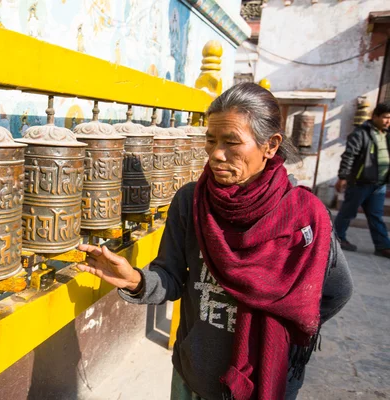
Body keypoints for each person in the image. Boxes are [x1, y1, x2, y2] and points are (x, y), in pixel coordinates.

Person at [77, 83, 353, 400]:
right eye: (211, 141)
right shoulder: (191, 202)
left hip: (267, 379)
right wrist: (135, 280)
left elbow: (337, 292)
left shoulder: (304, 216)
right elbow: (171, 278)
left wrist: (282, 331)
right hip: (194, 376)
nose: (217, 154)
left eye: (231, 142)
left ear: (271, 145)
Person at [334, 102, 390, 257]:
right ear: (375, 116)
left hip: (378, 185)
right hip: (360, 183)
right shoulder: (361, 133)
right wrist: (343, 177)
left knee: (376, 216)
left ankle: (383, 245)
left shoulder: (386, 134)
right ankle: (337, 240)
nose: (388, 121)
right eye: (385, 117)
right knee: (347, 213)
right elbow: (349, 155)